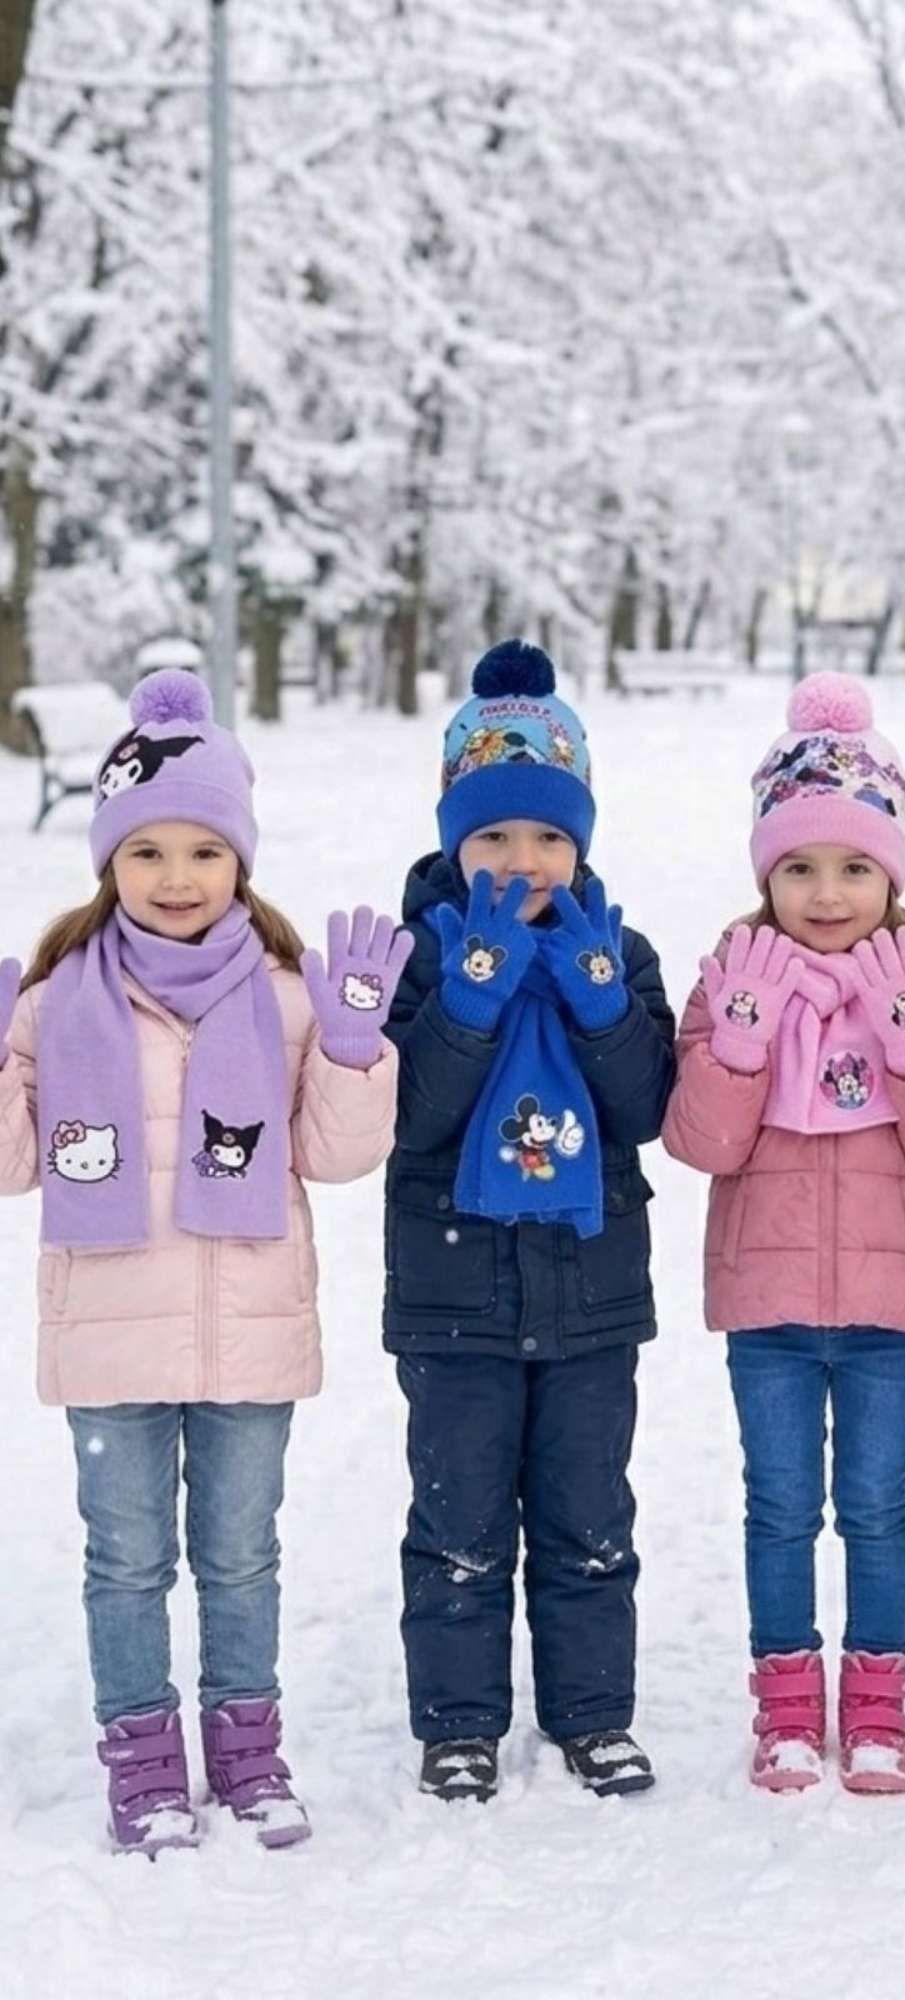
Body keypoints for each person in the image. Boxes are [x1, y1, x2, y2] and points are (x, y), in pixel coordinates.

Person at [0, 667, 404, 1855]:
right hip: (111, 1326)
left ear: (241, 860)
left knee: (240, 1555)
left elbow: (335, 1156)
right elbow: (15, 1165)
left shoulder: (284, 995)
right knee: (126, 1561)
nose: (176, 878)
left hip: (247, 1326)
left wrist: (352, 1044)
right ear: (107, 863)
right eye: (147, 853)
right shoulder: (58, 999)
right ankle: (141, 1764)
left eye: (203, 851)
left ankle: (247, 1753)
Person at [663, 671, 905, 1793]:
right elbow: (700, 1141)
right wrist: (739, 1037)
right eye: (798, 865)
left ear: (891, 866)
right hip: (769, 1302)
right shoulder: (732, 973)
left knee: (879, 1504)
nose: (827, 890)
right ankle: (788, 1705)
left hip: (892, 1305)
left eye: (854, 865)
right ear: (765, 869)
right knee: (781, 1505)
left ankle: (881, 1706)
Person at [382, 640, 675, 1803]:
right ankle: (458, 1720)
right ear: (455, 836)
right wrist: (466, 997)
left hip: (592, 1291)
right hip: (454, 1295)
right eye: (495, 835)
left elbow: (645, 1107)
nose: (523, 859)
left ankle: (593, 1714)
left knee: (589, 1516)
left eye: (548, 836)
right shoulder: (415, 955)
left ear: (581, 841)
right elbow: (409, 1120)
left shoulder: (619, 948)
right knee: (456, 1521)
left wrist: (604, 1003)